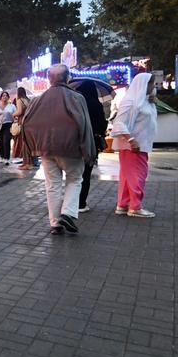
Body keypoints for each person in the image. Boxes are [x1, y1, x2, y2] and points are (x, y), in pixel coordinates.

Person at [22, 64, 95, 234]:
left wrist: (34, 144)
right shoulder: (77, 98)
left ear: (49, 79)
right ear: (68, 78)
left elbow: (27, 123)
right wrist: (88, 150)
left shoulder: (38, 100)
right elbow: (85, 125)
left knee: (52, 184)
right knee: (75, 179)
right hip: (71, 148)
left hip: (46, 149)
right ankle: (68, 214)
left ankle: (55, 223)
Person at [110, 73, 158, 217]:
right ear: (143, 84)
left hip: (138, 144)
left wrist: (152, 101)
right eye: (151, 84)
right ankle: (135, 207)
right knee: (138, 175)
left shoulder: (143, 100)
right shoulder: (130, 101)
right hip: (133, 145)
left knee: (127, 175)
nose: (153, 87)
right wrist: (131, 140)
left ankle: (123, 204)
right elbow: (119, 123)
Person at [76, 81, 108, 212]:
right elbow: (102, 124)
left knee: (74, 173)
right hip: (92, 142)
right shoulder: (96, 104)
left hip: (76, 141)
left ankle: (71, 201)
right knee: (86, 173)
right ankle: (81, 203)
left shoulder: (77, 103)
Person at [0, 91, 15, 165]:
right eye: (3, 96)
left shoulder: (12, 106)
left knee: (6, 140)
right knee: (0, 142)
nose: (4, 97)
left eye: (6, 95)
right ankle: (2, 157)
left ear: (8, 97)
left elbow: (15, 116)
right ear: (1, 97)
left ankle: (7, 158)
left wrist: (12, 115)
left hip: (8, 125)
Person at [12, 88, 34, 170]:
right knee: (28, 142)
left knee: (23, 142)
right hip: (29, 121)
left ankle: (26, 163)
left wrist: (13, 114)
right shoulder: (27, 100)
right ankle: (29, 162)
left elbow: (19, 111)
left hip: (23, 121)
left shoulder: (19, 100)